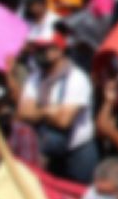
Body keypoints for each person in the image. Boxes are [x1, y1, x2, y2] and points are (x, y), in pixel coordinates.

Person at [17, 24, 98, 183]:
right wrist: (47, 112)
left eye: (44, 49)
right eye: (37, 49)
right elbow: (23, 113)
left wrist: (38, 112)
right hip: (50, 151)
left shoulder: (76, 78)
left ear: (59, 51)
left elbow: (64, 121)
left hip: (78, 153)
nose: (38, 53)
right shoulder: (35, 78)